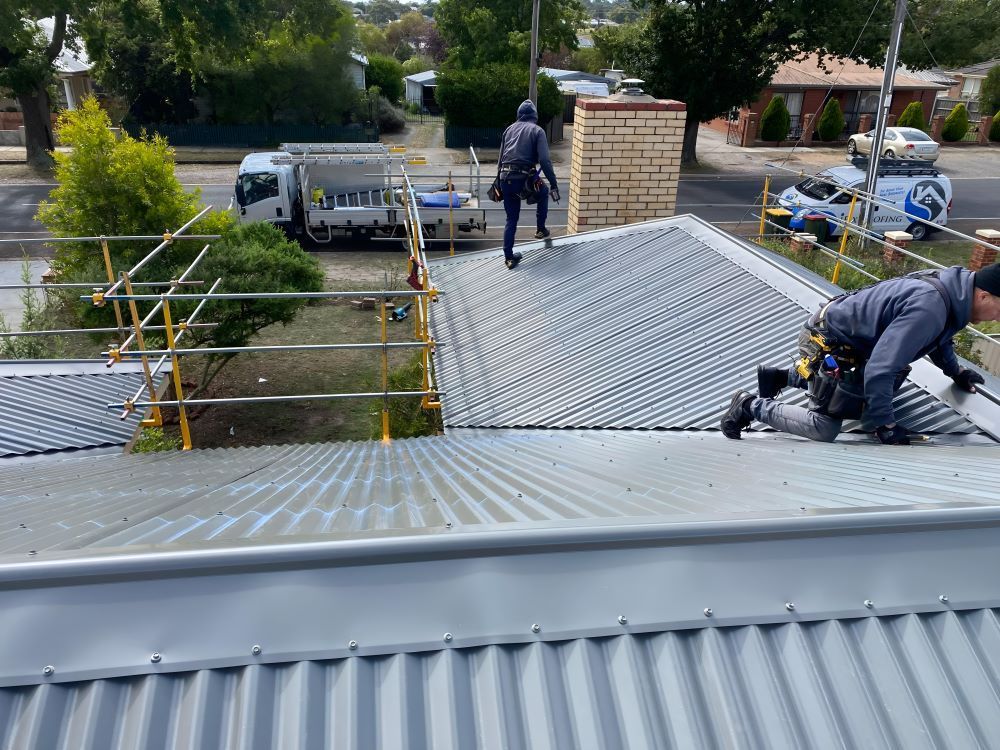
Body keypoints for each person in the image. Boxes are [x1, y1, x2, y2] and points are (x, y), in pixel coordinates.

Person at [721, 263, 1000, 445]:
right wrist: (886, 426)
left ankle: (781, 378)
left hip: (843, 340)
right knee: (824, 428)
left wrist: (956, 372)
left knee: (880, 392)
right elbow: (881, 369)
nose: (998, 318)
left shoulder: (952, 289)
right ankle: (748, 405)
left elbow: (939, 338)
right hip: (827, 343)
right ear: (983, 295)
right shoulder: (930, 307)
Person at [497, 99, 561, 270]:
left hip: (505, 178)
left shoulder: (509, 130)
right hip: (524, 179)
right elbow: (545, 161)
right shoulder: (537, 130)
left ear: (519, 115)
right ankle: (540, 229)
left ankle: (509, 258)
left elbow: (500, 160)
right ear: (535, 116)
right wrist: (554, 184)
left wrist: (498, 183)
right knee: (544, 191)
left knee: (511, 219)